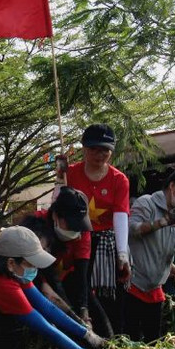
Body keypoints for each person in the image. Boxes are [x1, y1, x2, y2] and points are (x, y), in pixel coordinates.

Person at [57, 123, 130, 336]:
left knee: (110, 295)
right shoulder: (69, 173)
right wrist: (59, 178)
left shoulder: (119, 180)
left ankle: (113, 338)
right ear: (84, 149)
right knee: (77, 290)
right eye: (94, 149)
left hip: (106, 243)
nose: (100, 154)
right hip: (76, 239)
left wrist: (122, 253)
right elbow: (58, 204)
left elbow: (121, 215)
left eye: (105, 150)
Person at [125, 169, 175, 342]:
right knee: (129, 339)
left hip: (155, 288)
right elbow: (133, 230)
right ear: (172, 186)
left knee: (153, 341)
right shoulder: (147, 203)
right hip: (133, 285)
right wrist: (163, 222)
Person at [18, 186, 93, 323]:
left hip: (64, 279)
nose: (75, 232)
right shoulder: (36, 228)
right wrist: (73, 318)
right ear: (55, 215)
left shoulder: (82, 231)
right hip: (34, 281)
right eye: (70, 225)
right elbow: (49, 281)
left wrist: (83, 309)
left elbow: (82, 275)